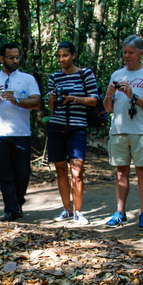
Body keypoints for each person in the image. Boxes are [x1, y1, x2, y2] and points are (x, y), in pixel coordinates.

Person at [103, 35, 143, 230]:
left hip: (141, 130)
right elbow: (108, 108)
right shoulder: (117, 74)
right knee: (121, 173)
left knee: (142, 172)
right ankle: (120, 212)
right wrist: (109, 94)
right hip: (119, 131)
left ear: (141, 53)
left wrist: (133, 96)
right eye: (124, 52)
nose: (127, 56)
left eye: (131, 52)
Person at [0, 43, 41, 222]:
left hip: (21, 133)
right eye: (11, 57)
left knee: (23, 172)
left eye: (17, 57)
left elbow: (37, 102)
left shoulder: (27, 79)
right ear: (1, 59)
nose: (15, 61)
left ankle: (17, 202)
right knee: (5, 174)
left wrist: (17, 100)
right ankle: (11, 210)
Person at [47, 42, 100, 225]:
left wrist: (73, 98)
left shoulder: (85, 74)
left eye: (66, 55)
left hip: (77, 128)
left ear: (74, 55)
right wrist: (52, 98)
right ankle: (66, 210)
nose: (62, 59)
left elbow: (94, 100)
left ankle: (78, 212)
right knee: (60, 169)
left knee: (77, 171)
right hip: (57, 127)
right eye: (59, 56)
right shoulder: (54, 77)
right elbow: (51, 108)